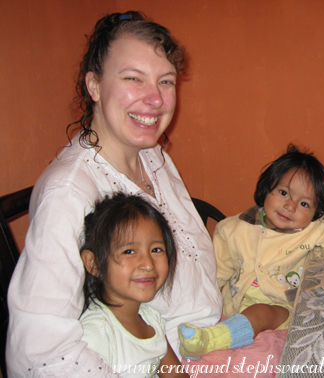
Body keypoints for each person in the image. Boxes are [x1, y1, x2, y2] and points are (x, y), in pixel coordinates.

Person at [6, 11, 222, 377]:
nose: (155, 99)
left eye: (165, 81)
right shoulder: (69, 192)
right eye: (133, 79)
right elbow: (39, 353)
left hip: (215, 337)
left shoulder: (152, 155)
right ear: (94, 86)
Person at [177, 144, 324, 359]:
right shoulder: (231, 228)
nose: (290, 206)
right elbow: (217, 274)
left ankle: (210, 340)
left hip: (281, 307)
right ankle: (219, 330)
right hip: (234, 303)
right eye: (283, 192)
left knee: (261, 312)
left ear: (317, 212)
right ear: (266, 188)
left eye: (304, 203)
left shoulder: (312, 230)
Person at [79, 193, 187, 378]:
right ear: (94, 264)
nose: (148, 264)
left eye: (156, 250)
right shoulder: (96, 333)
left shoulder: (151, 319)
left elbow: (176, 375)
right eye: (129, 251)